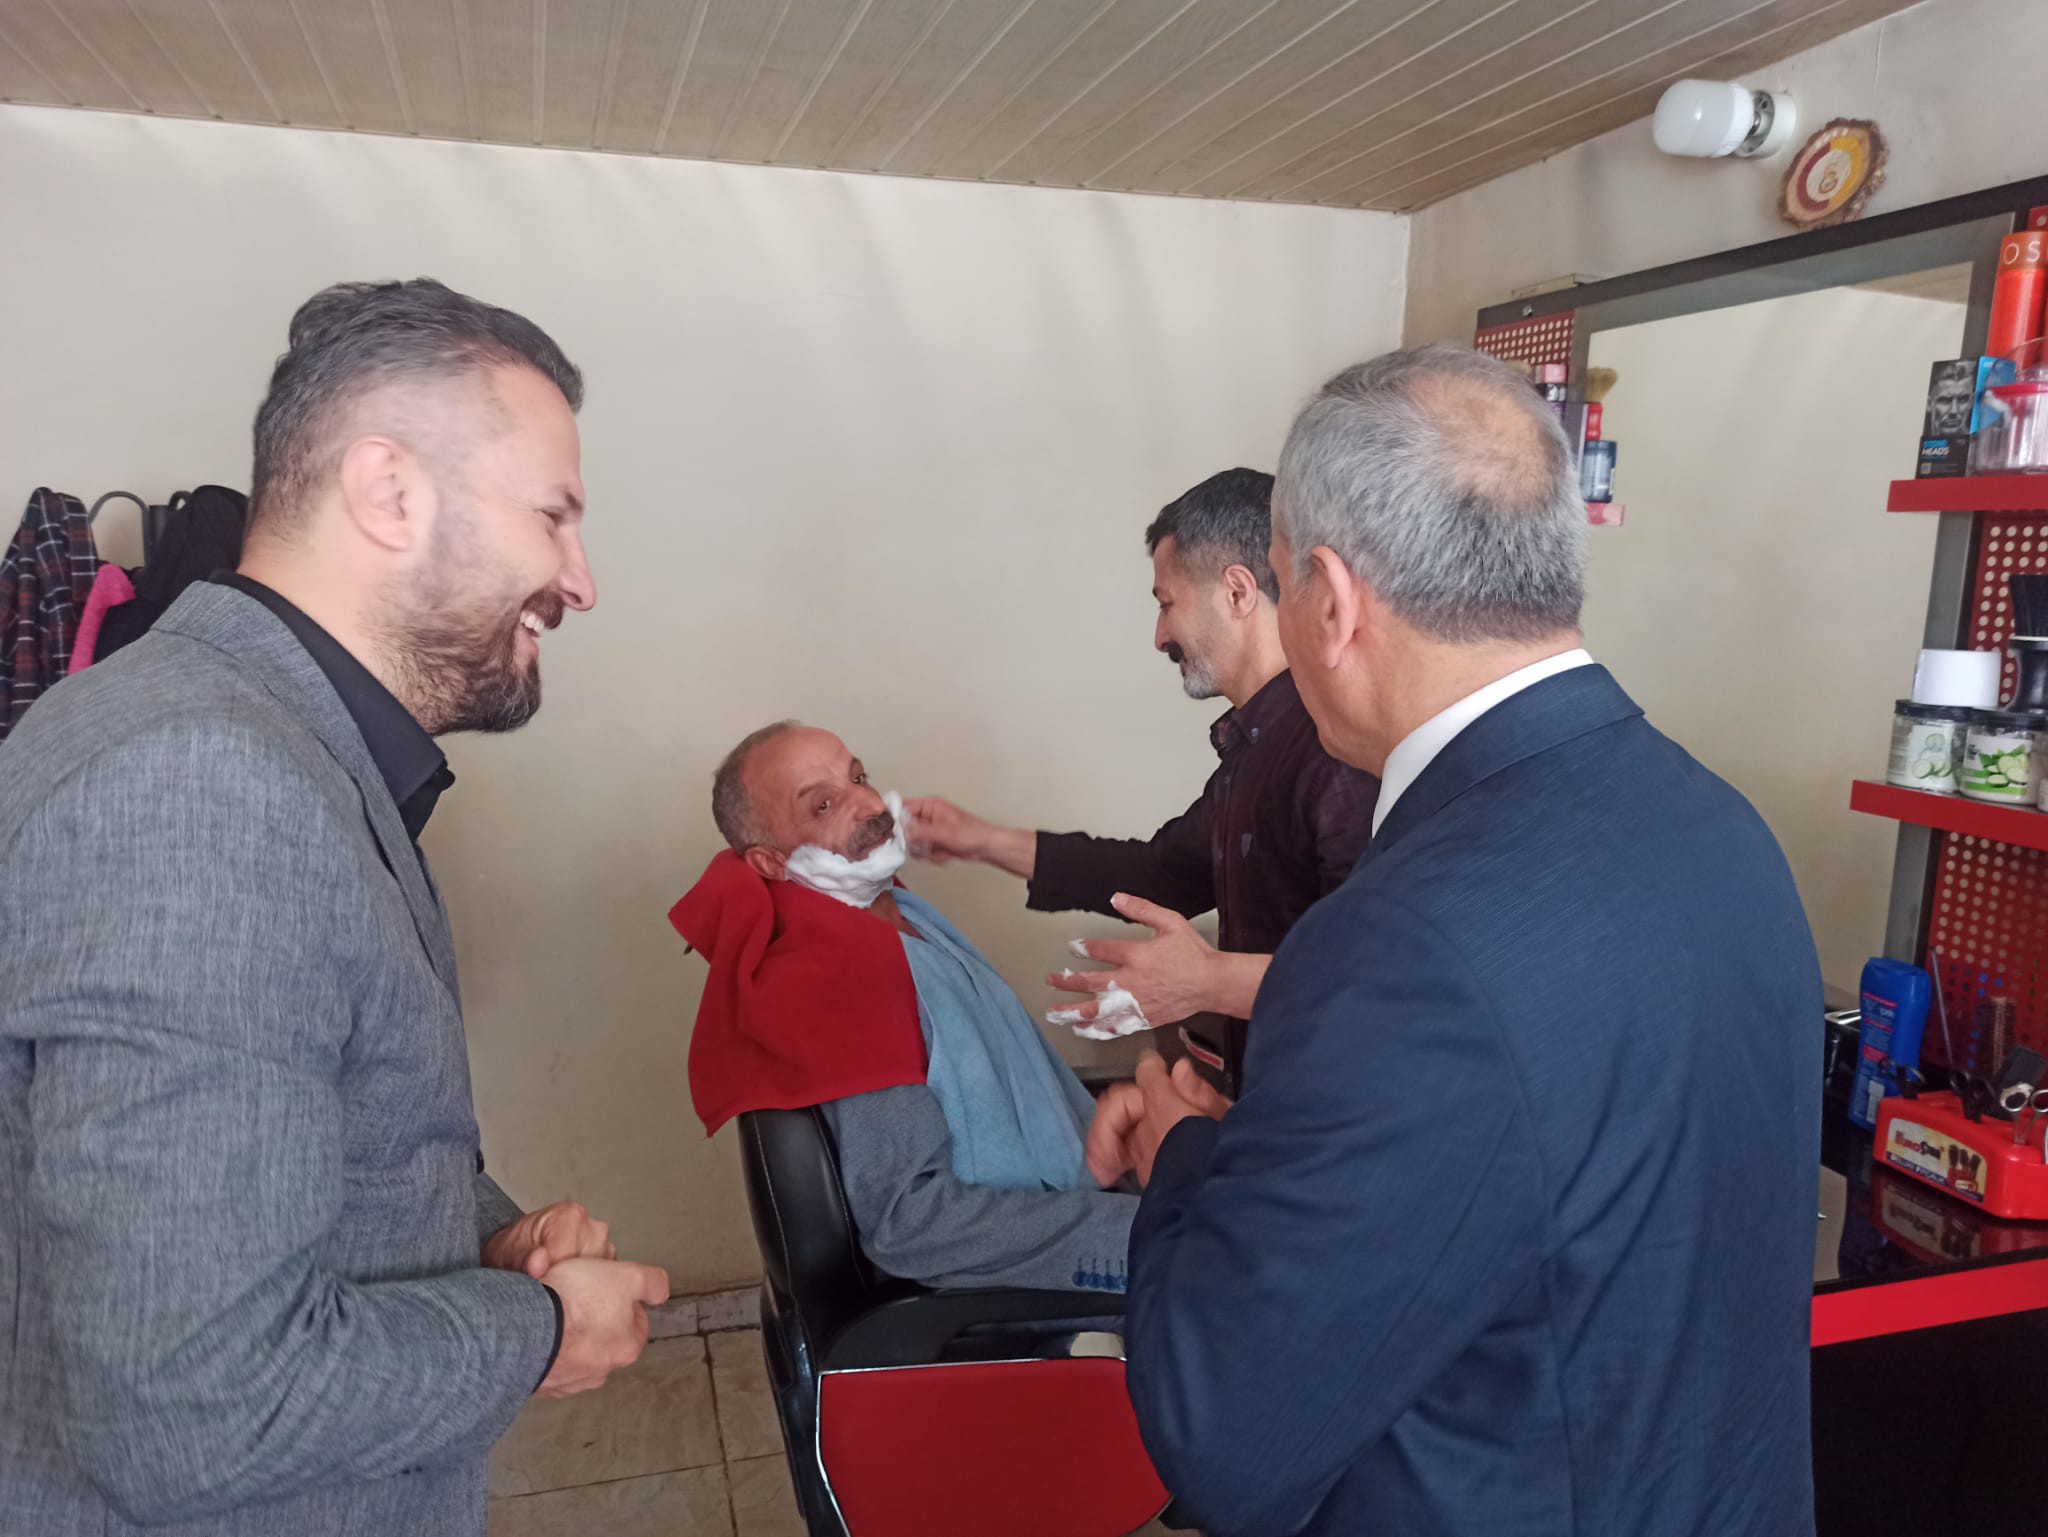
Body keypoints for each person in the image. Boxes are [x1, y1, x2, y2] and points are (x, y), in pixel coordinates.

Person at [1088, 345, 1822, 1536]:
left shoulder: (1399, 940)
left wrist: (1182, 1159)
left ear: (1329, 599)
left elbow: (1225, 1439)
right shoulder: (1719, 827)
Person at [0, 279, 669, 1536]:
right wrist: (538, 1327)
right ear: (388, 491)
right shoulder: (202, 782)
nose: (579, 582)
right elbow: (192, 1405)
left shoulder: (266, 750)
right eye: (553, 516)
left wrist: (485, 1236)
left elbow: (314, 1134)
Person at [908, 468, 1379, 1089]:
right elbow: (1160, 874)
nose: (1160, 637)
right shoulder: (1253, 750)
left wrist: (1205, 982)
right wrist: (982, 840)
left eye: (1166, 603)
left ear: (1237, 592)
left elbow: (1373, 978)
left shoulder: (1334, 748)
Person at [673, 723, 1136, 1294]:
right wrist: (1148, 1230)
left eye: (858, 777)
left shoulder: (900, 916)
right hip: (994, 1280)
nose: (869, 804)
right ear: (770, 862)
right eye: (823, 804)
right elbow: (913, 1224)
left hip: (1074, 1190)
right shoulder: (835, 977)